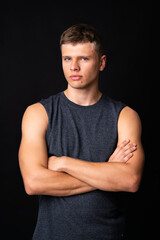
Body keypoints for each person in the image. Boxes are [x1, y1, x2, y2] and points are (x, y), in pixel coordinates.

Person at [18, 24, 145, 240]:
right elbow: (34, 183)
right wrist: (109, 170)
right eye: (67, 58)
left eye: (83, 59)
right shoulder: (38, 113)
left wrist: (65, 163)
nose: (73, 67)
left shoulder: (125, 116)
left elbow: (130, 180)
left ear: (101, 63)